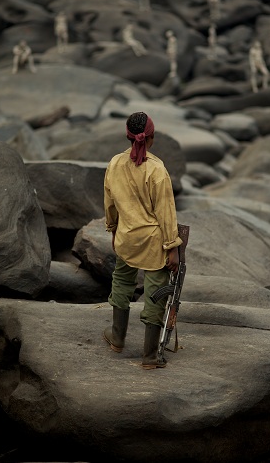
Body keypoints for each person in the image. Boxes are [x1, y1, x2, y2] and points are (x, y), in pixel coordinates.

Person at [103, 112, 182, 370]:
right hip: (153, 243)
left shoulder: (115, 163)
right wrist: (173, 248)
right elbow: (166, 212)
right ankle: (149, 357)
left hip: (126, 238)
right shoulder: (156, 169)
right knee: (155, 294)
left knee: (122, 280)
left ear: (128, 136)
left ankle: (117, 338)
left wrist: (114, 229)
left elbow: (110, 203)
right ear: (152, 137)